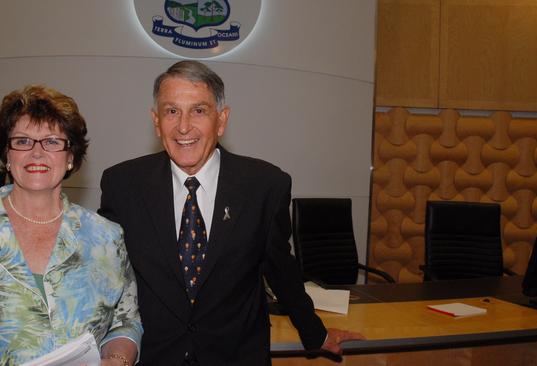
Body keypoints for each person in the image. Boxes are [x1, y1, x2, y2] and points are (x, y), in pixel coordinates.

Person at [99, 60, 363, 365]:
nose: (183, 126)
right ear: (156, 121)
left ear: (221, 120)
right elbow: (106, 275)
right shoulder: (123, 185)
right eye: (171, 111)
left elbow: (280, 267)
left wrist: (315, 333)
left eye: (199, 110)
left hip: (237, 356)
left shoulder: (264, 185)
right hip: (154, 357)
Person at [0, 85, 142, 365]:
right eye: (23, 141)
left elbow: (126, 320)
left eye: (51, 141)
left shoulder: (106, 238)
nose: (37, 153)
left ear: (70, 157)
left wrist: (118, 358)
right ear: (7, 156)